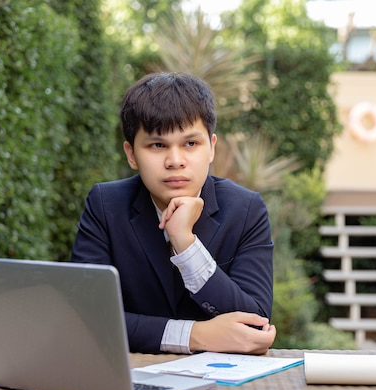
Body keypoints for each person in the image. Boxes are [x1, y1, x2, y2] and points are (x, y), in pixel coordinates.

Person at [70, 72, 276, 354]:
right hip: (132, 377)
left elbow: (256, 325)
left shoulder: (245, 209)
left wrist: (185, 243)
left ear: (211, 148)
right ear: (131, 154)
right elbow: (86, 317)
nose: (175, 161)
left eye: (191, 144)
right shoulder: (106, 205)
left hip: (223, 386)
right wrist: (193, 335)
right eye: (158, 145)